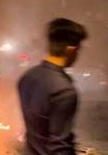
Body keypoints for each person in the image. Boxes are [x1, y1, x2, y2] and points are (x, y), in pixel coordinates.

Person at [18, 18, 88, 155]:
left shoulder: (27, 77)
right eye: (79, 49)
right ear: (70, 50)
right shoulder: (64, 90)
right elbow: (59, 146)